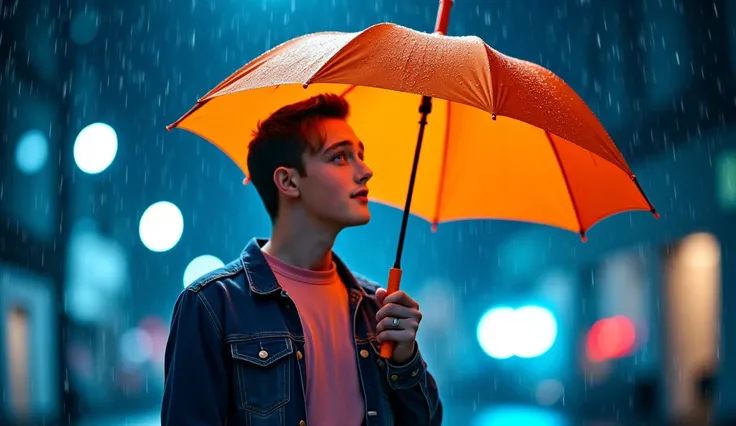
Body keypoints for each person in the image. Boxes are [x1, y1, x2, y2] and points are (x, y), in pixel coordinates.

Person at [161, 93, 442, 426]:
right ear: (288, 181)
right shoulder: (212, 306)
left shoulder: (374, 310)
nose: (365, 171)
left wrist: (404, 358)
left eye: (360, 156)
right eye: (340, 157)